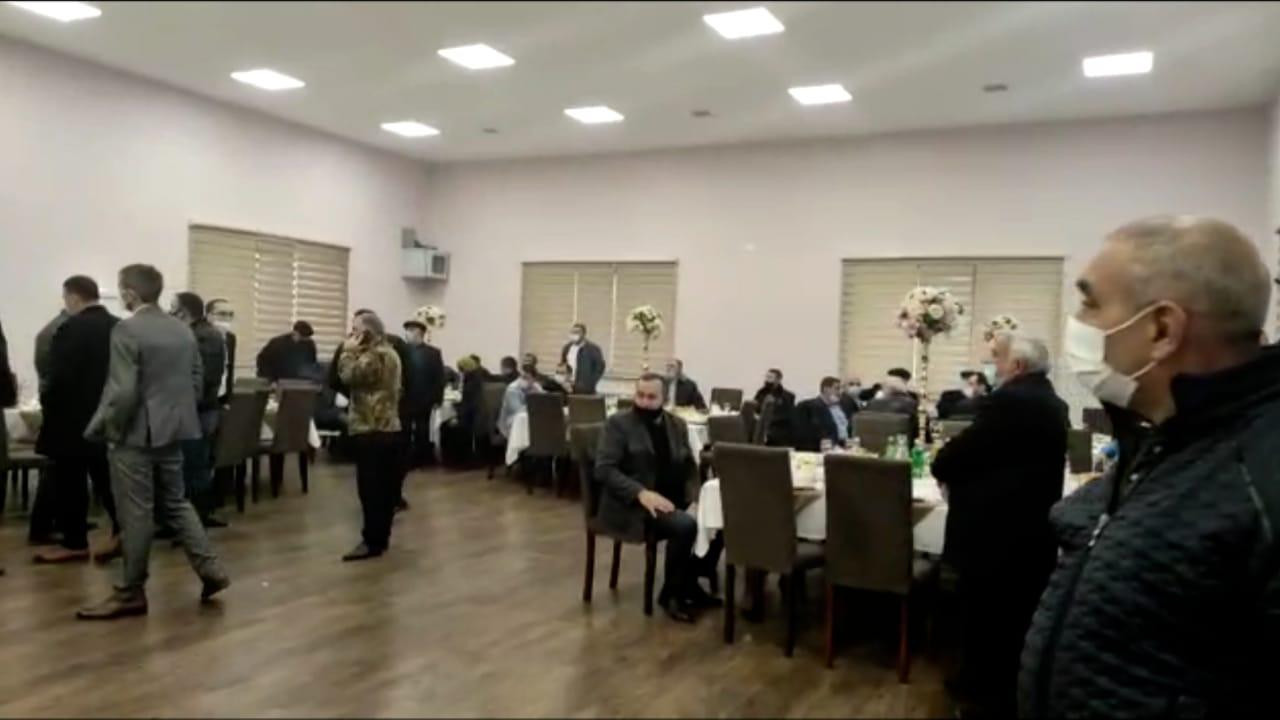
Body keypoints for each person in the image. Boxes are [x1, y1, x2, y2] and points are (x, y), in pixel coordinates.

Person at [1019, 216, 1279, 717]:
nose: (1077, 322)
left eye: (1091, 303)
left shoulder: (1262, 470)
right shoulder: (1160, 436)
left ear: (1162, 329)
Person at [77, 264, 229, 620]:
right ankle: (212, 570)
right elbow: (196, 381)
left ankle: (130, 591)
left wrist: (103, 428)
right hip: (173, 430)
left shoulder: (126, 329)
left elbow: (122, 391)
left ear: (129, 293)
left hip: (134, 433)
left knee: (136, 512)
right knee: (177, 503)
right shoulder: (182, 330)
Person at [930, 334, 1068, 716]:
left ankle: (981, 697)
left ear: (1018, 366)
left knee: (986, 620)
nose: (993, 367)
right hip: (1032, 528)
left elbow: (960, 453)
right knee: (1016, 619)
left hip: (995, 533)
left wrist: (942, 466)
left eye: (998, 359)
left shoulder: (1011, 400)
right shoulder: (1053, 402)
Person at [595, 373, 719, 622]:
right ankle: (670, 595)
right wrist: (640, 493)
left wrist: (695, 499)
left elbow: (689, 467)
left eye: (651, 397)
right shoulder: (618, 424)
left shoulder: (676, 424)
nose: (644, 402)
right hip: (634, 504)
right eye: (640, 395)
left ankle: (689, 581)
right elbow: (604, 469)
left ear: (664, 399)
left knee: (719, 518)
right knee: (685, 526)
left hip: (674, 497)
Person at [32, 276, 122, 564]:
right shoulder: (119, 327)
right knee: (107, 480)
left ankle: (74, 542)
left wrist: (48, 407)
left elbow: (57, 377)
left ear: (73, 297)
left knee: (70, 483)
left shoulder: (70, 329)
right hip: (108, 417)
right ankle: (124, 532)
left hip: (71, 420)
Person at [336, 312, 403, 561]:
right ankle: (381, 538)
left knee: (371, 491)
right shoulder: (391, 352)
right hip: (389, 427)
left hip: (371, 428)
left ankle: (371, 541)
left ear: (367, 333)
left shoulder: (373, 356)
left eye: (356, 330)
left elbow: (348, 377)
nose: (352, 334)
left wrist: (347, 352)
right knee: (384, 491)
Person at [169, 291, 227, 528]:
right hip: (199, 409)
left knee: (193, 467)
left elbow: (200, 378)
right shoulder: (202, 334)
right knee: (193, 466)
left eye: (173, 308)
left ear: (183, 312)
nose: (169, 313)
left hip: (197, 410)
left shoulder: (201, 337)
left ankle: (194, 522)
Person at [401, 319, 445, 468]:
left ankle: (422, 458)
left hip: (425, 398)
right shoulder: (402, 351)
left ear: (418, 333)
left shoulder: (433, 353)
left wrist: (438, 398)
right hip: (405, 398)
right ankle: (405, 458)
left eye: (410, 331)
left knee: (423, 429)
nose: (407, 334)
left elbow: (439, 377)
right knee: (404, 429)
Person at [440, 355, 484, 466]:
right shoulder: (477, 378)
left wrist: (456, 414)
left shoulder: (470, 382)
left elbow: (468, 404)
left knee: (444, 426)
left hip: (470, 416)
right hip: (477, 414)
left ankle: (452, 459)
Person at [793, 376, 850, 452]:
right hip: (819, 451)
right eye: (837, 389)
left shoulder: (840, 408)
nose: (840, 392)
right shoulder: (810, 407)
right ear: (826, 389)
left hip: (840, 449)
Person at [752, 368, 796, 446]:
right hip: (760, 424)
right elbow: (755, 407)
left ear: (778, 380)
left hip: (778, 428)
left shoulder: (787, 396)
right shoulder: (761, 392)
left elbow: (788, 415)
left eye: (770, 377)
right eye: (767, 377)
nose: (767, 380)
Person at [498, 363, 542, 438]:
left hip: (529, 420)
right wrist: (533, 401)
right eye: (521, 377)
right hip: (510, 423)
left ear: (534, 379)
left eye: (526, 378)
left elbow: (545, 401)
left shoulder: (536, 386)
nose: (522, 380)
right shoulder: (512, 389)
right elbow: (518, 411)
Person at [560, 323, 606, 394]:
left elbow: (600, 368)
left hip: (585, 389)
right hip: (568, 386)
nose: (574, 334)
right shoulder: (567, 348)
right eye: (573, 332)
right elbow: (563, 365)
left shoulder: (593, 349)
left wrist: (590, 383)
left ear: (584, 334)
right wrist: (564, 380)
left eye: (577, 332)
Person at [205, 298, 237, 401]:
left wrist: (229, 397)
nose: (227, 318)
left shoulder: (230, 338)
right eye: (222, 314)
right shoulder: (199, 337)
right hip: (204, 398)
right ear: (209, 316)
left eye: (230, 314)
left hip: (222, 396)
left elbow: (229, 368)